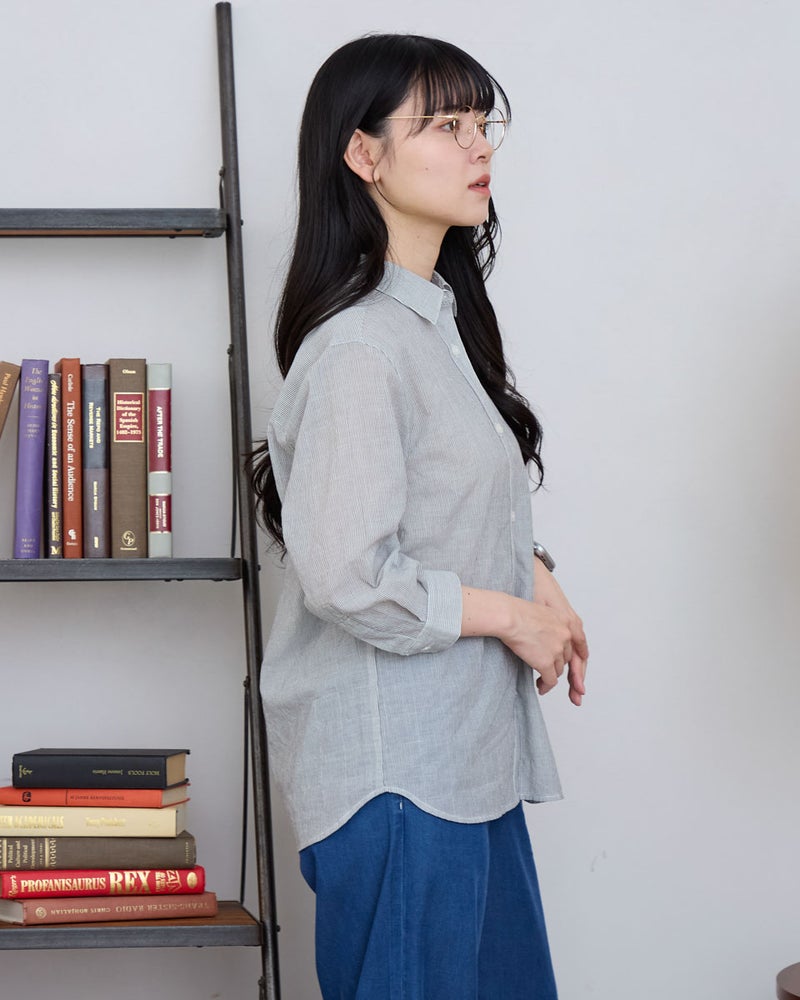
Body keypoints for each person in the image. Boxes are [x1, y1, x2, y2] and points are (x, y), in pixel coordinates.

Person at [251, 32, 589, 1000]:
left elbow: (438, 501)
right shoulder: (359, 347)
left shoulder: (433, 326)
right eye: (444, 124)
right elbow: (347, 576)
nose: (478, 144)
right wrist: (510, 615)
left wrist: (536, 577)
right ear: (363, 155)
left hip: (462, 765)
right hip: (397, 777)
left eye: (481, 121)